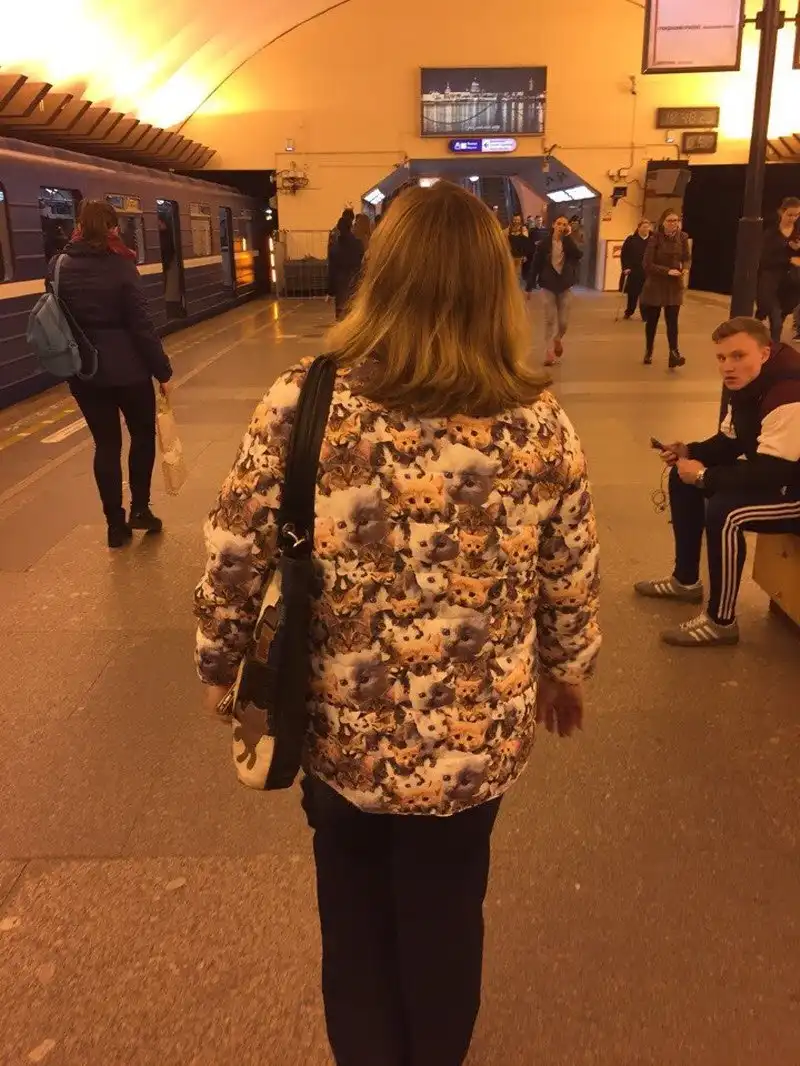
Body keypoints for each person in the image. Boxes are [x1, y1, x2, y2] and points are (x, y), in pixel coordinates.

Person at [194, 180, 601, 1066]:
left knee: (353, 915)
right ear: (495, 287)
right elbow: (569, 571)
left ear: (381, 275)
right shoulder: (538, 423)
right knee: (448, 911)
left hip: (338, 728)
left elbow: (234, 556)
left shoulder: (303, 399)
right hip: (472, 743)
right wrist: (567, 671)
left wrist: (221, 667)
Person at [634, 316, 800, 647]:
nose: (727, 366)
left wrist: (705, 475)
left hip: (792, 485)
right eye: (721, 357)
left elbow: (774, 472)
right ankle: (685, 581)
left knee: (727, 512)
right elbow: (730, 442)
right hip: (781, 474)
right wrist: (690, 451)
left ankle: (720, 621)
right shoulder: (747, 383)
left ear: (765, 353)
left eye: (738, 356)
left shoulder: (788, 394)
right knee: (682, 477)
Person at [50, 199, 173, 548]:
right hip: (130, 371)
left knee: (105, 444)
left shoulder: (59, 266)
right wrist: (162, 371)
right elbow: (141, 326)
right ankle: (140, 509)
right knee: (142, 435)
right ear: (112, 229)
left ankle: (115, 526)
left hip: (85, 372)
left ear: (78, 226)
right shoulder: (121, 266)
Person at [527, 215, 583, 366]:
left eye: (564, 224)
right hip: (548, 285)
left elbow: (579, 255)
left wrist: (568, 237)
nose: (561, 227)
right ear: (553, 225)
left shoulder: (568, 243)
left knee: (563, 322)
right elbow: (535, 265)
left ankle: (557, 338)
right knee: (550, 319)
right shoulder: (544, 244)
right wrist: (529, 286)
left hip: (565, 286)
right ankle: (548, 352)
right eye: (559, 223)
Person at [641, 209, 691, 368]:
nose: (673, 224)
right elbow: (647, 264)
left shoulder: (683, 237)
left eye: (676, 220)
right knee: (652, 321)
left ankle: (674, 353)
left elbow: (686, 257)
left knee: (672, 321)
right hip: (656, 283)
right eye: (670, 220)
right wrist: (667, 271)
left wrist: (686, 268)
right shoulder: (655, 238)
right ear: (663, 222)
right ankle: (649, 350)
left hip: (674, 285)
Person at [756, 197, 800, 343]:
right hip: (771, 280)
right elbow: (764, 259)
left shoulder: (797, 234)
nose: (793, 218)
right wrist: (789, 259)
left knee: (780, 315)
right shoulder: (771, 234)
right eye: (790, 214)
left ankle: (759, 322)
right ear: (781, 212)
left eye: (797, 215)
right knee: (776, 320)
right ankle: (773, 350)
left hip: (790, 284)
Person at [327, 214, 364, 321]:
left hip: (341, 291)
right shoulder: (358, 245)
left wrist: (330, 292)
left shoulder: (334, 248)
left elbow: (332, 271)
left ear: (338, 229)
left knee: (341, 320)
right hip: (356, 287)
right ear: (351, 227)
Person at [620, 219, 652, 320]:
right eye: (644, 227)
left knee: (645, 294)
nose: (646, 229)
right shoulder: (631, 239)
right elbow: (624, 255)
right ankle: (629, 311)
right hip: (634, 271)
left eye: (648, 227)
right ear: (639, 228)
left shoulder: (652, 240)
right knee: (632, 294)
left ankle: (645, 315)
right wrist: (626, 267)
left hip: (647, 271)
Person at [505, 212, 529, 282]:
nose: (516, 221)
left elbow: (526, 243)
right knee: (511, 274)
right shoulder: (509, 229)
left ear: (520, 220)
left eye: (518, 220)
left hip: (520, 256)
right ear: (512, 220)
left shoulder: (523, 229)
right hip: (511, 256)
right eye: (515, 219)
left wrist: (525, 255)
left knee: (518, 275)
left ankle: (517, 286)